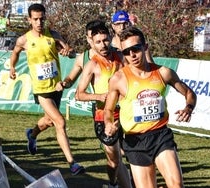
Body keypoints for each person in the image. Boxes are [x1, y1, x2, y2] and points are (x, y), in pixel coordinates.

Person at [104, 26, 197, 188]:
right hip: (135, 141)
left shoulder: (163, 73)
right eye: (126, 52)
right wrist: (108, 124)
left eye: (136, 49)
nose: (132, 55)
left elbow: (189, 93)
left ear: (145, 47)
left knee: (176, 185)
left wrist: (188, 107)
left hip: (160, 135)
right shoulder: (118, 79)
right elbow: (108, 110)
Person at [9, 3, 84, 176]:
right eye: (35, 19)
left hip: (57, 86)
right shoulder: (24, 40)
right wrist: (12, 67)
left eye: (42, 18)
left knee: (49, 121)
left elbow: (68, 51)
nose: (39, 22)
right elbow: (15, 52)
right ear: (29, 20)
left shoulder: (54, 35)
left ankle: (32, 134)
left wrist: (68, 51)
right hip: (41, 89)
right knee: (60, 122)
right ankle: (72, 163)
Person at [75, 21, 132, 188]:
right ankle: (113, 183)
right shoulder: (91, 65)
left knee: (132, 154)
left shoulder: (121, 57)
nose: (103, 45)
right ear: (92, 42)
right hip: (104, 118)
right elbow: (79, 94)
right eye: (98, 42)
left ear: (110, 38)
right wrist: (100, 96)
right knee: (114, 161)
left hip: (125, 114)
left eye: (105, 40)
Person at [55, 20, 104, 91]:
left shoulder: (117, 55)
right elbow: (70, 79)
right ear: (87, 38)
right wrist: (64, 83)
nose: (93, 41)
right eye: (91, 38)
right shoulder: (83, 58)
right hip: (99, 100)